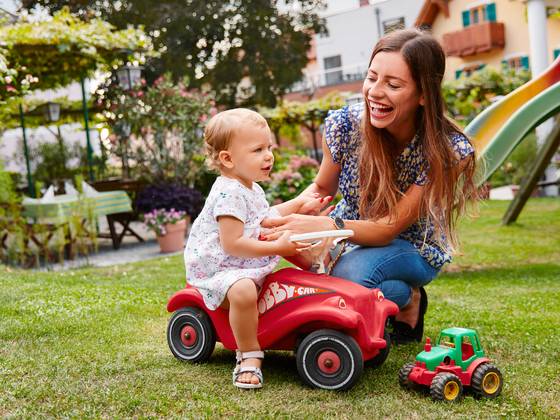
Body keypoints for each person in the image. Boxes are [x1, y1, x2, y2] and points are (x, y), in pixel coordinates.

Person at [262, 28, 479, 344]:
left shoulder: (446, 153)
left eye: (393, 85)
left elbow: (388, 229)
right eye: (371, 78)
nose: (375, 92)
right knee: (293, 250)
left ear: (423, 95)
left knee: (348, 276)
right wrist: (283, 213)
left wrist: (327, 226)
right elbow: (322, 189)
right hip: (350, 235)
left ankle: (382, 308)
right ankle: (405, 298)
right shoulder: (347, 124)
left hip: (413, 247)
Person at [184, 108, 327, 389]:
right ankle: (248, 354)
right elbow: (233, 243)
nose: (269, 155)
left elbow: (262, 218)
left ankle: (320, 270)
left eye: (269, 147)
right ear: (227, 158)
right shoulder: (228, 193)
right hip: (220, 268)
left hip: (240, 262)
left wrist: (298, 208)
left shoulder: (249, 187)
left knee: (282, 236)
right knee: (244, 290)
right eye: (258, 149)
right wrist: (276, 244)